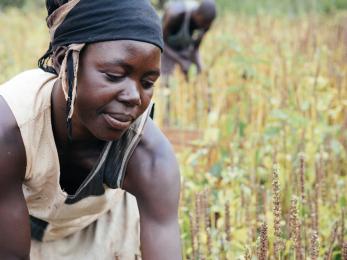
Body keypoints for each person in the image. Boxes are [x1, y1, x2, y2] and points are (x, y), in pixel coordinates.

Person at [0, 0, 181, 259]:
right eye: (114, 75)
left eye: (147, 82)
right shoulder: (11, 129)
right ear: (64, 61)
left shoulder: (147, 155)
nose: (134, 97)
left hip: (99, 229)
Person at [161, 0, 217, 80]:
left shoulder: (206, 23)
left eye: (208, 24)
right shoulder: (176, 16)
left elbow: (195, 48)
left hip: (183, 46)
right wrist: (181, 61)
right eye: (204, 23)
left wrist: (199, 67)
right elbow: (161, 43)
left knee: (193, 74)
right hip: (166, 47)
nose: (205, 27)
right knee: (166, 79)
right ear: (198, 15)